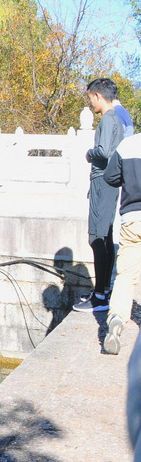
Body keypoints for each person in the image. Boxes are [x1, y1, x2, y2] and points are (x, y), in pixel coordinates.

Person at [82, 77, 134, 312]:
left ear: (97, 96)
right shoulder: (117, 118)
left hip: (102, 181)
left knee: (96, 237)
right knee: (105, 235)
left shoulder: (108, 118)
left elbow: (104, 151)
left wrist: (90, 153)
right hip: (109, 182)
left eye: (91, 98)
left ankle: (100, 296)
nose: (91, 103)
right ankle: (104, 289)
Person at [94, 122, 141, 353]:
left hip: (132, 217)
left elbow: (110, 177)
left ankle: (117, 318)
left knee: (126, 275)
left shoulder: (128, 144)